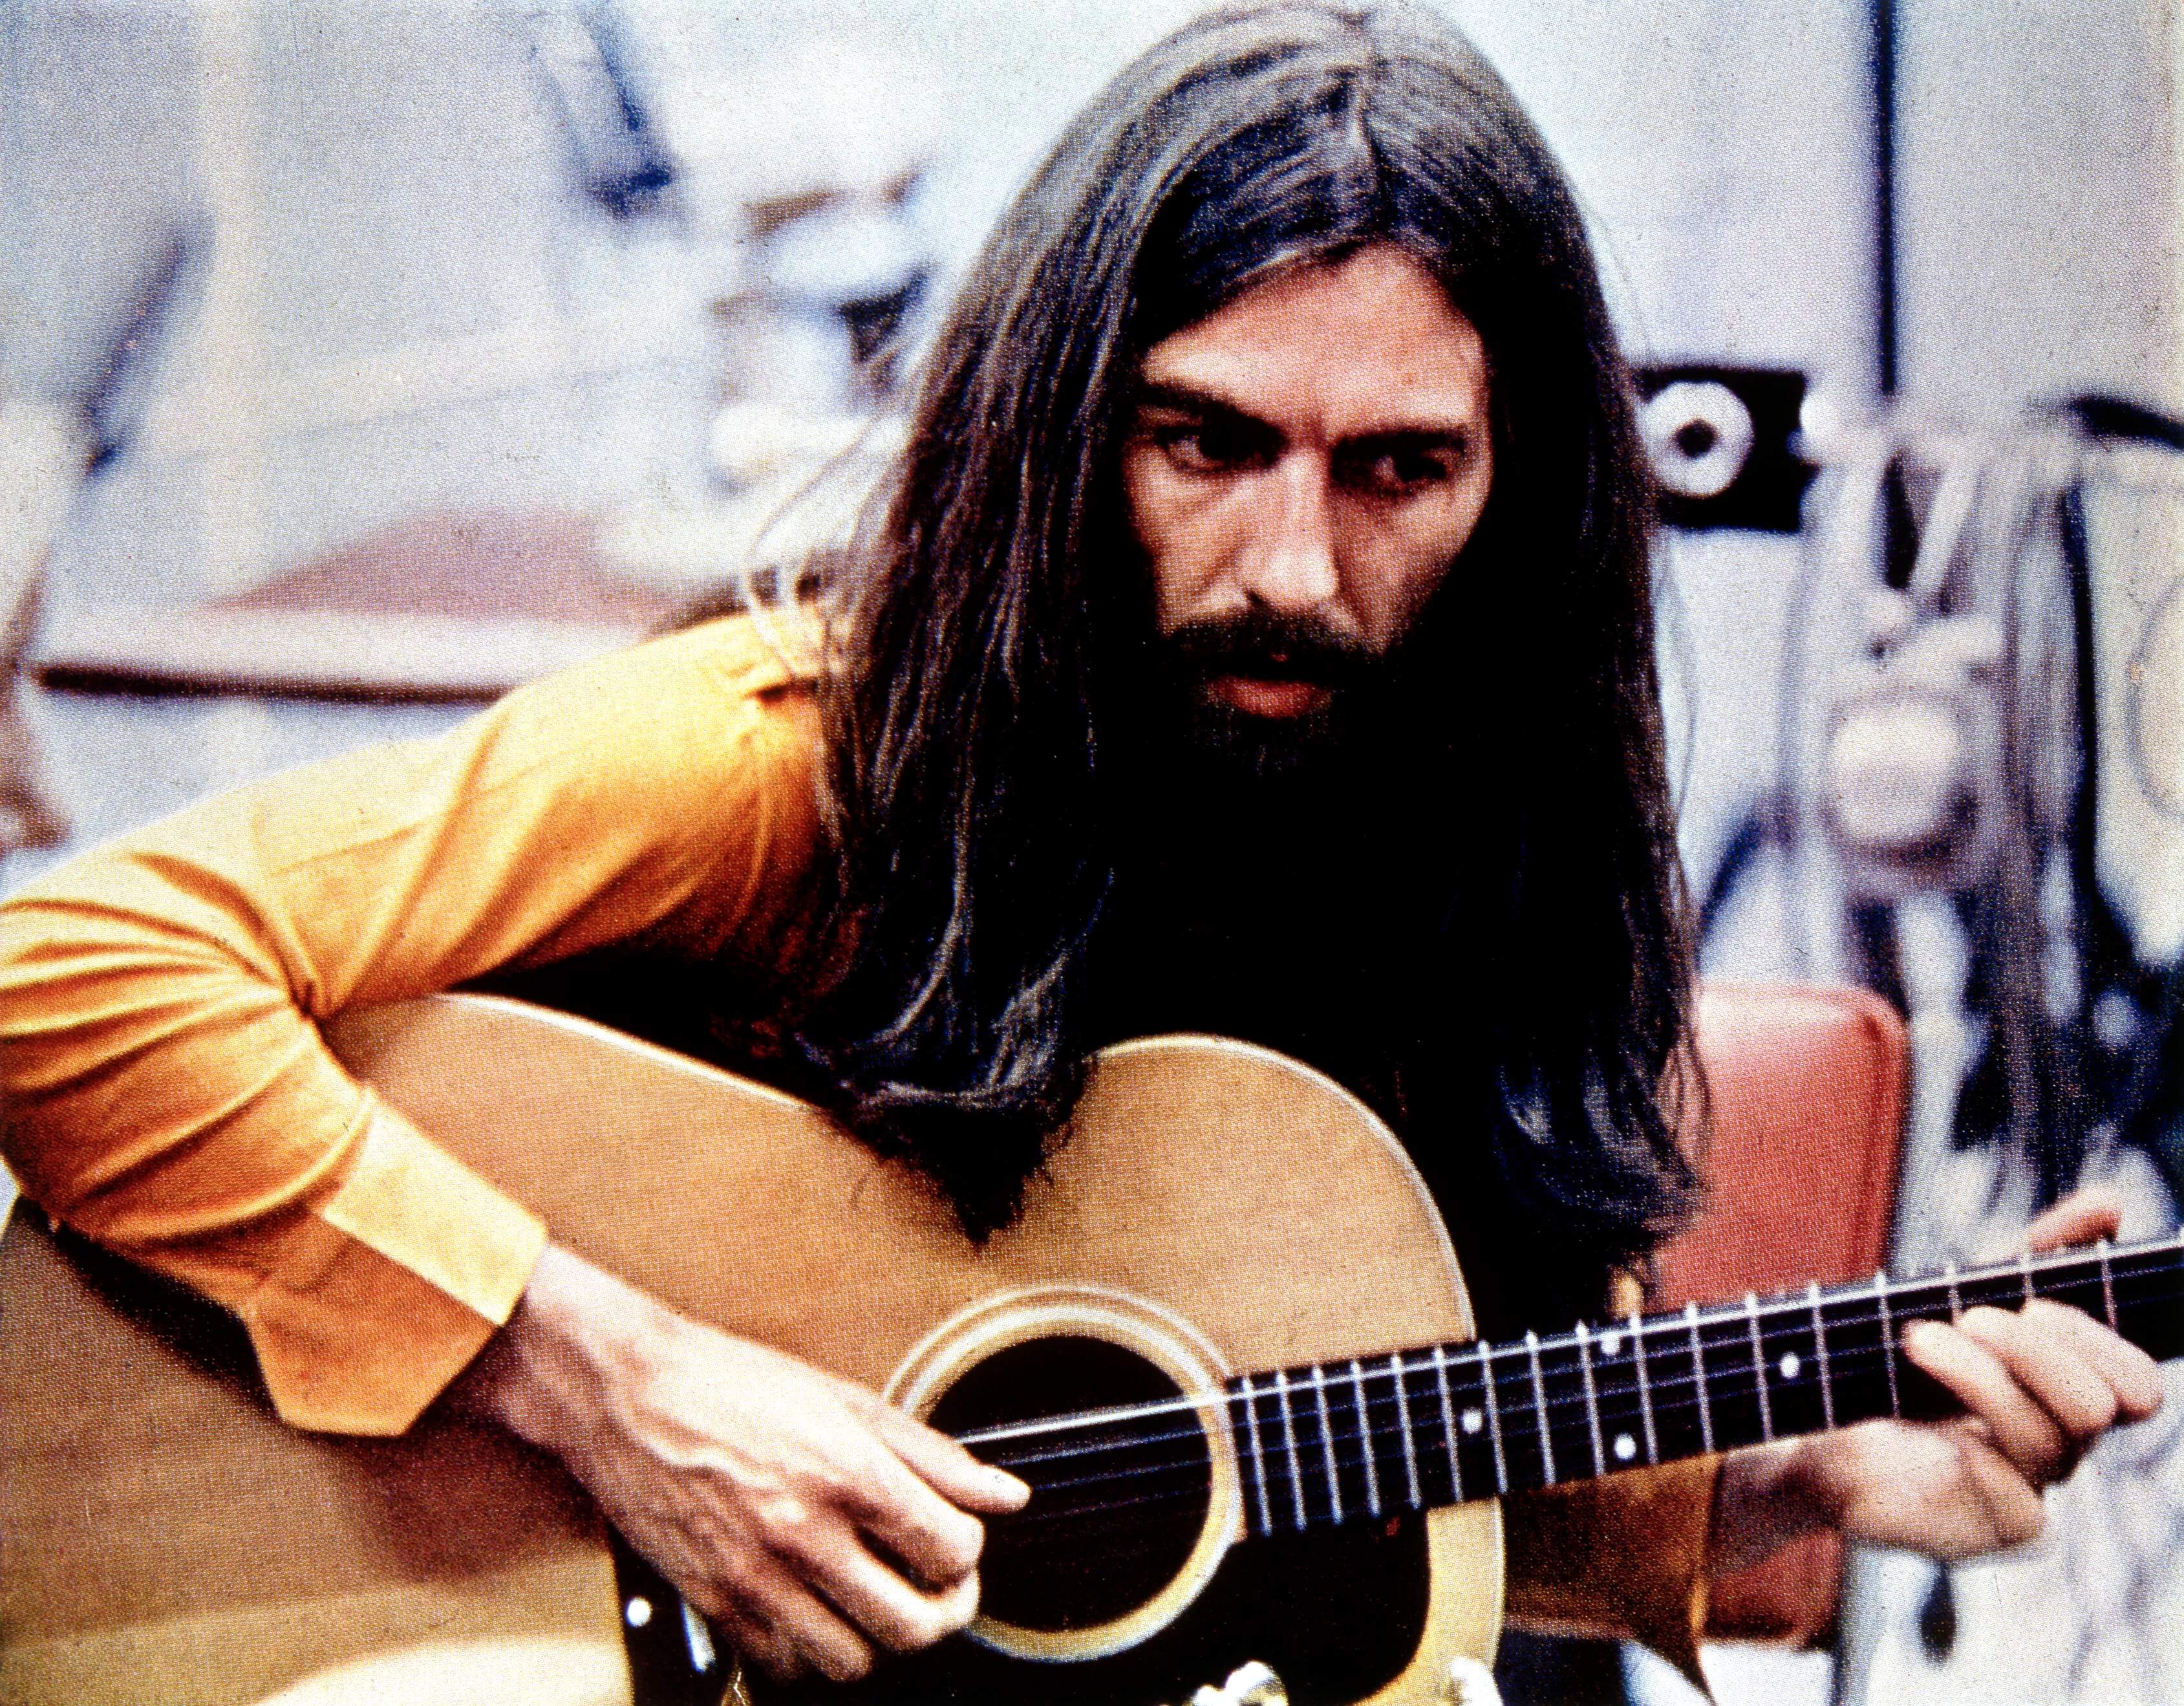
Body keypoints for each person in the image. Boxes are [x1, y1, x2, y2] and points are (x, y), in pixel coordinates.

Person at [0, 1, 2163, 1698]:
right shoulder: (775, 762)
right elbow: (66, 969)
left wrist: (1788, 1471)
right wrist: (617, 1383)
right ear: (1065, 423)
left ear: (1530, 507)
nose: (1293, 566)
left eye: (1400, 470)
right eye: (1204, 443)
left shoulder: (1459, 841)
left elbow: (1269, 1483)